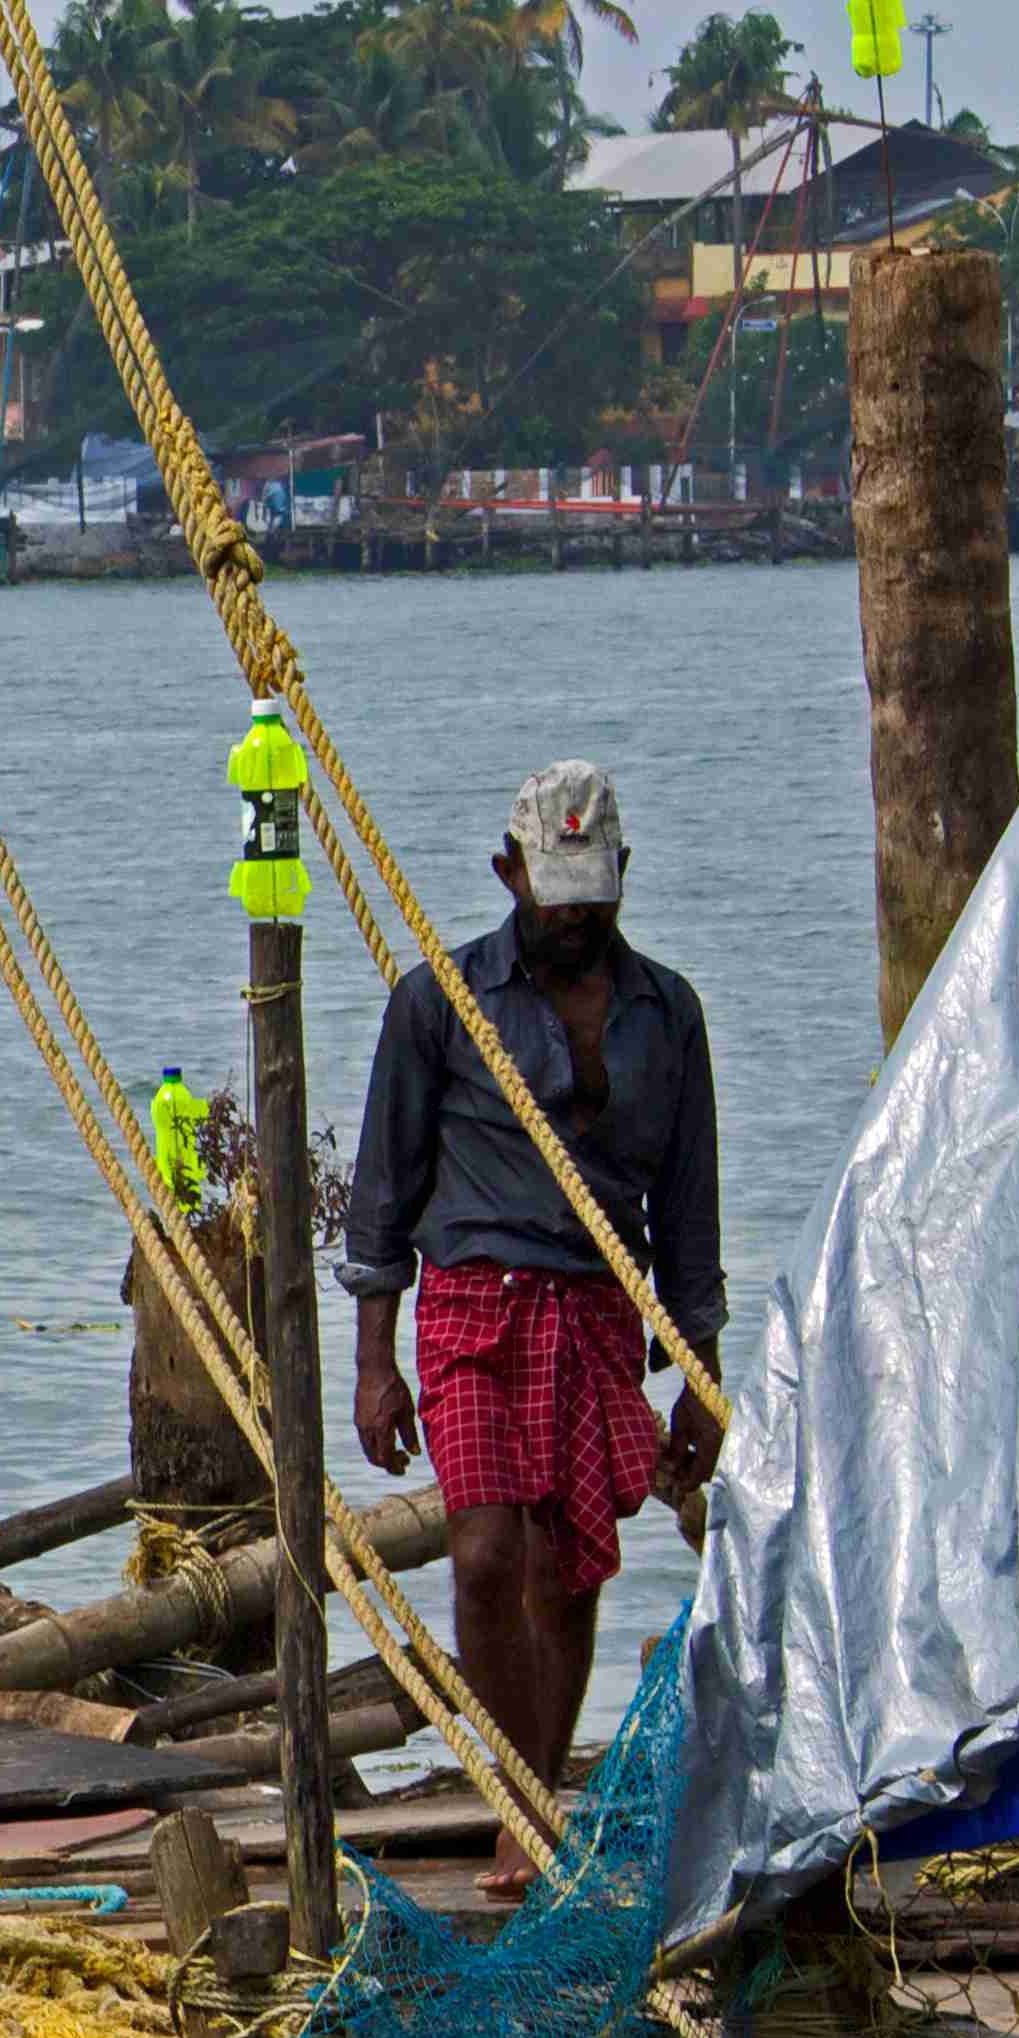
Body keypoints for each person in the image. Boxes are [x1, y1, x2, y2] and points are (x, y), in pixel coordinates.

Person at [344, 759, 722, 1855]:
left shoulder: (667, 1012)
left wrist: (700, 1375)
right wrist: (376, 1361)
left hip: (599, 1305)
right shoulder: (441, 1001)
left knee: (570, 1561)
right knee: (484, 1556)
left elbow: (687, 1208)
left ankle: (536, 1798)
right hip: (474, 1301)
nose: (575, 918)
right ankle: (509, 1785)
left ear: (624, 878)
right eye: (554, 894)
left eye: (594, 895)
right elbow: (384, 1192)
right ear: (508, 873)